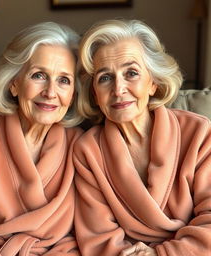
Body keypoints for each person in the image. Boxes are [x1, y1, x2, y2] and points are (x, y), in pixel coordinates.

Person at [73, 19, 211, 256]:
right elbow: (98, 237)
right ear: (95, 94)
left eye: (131, 73)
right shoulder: (87, 151)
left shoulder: (198, 133)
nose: (118, 89)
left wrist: (160, 254)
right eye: (105, 78)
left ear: (153, 83)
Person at [0, 21, 83, 255]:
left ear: (74, 93)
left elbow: (87, 235)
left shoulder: (82, 145)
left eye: (64, 80)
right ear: (14, 83)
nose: (50, 92)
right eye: (38, 75)